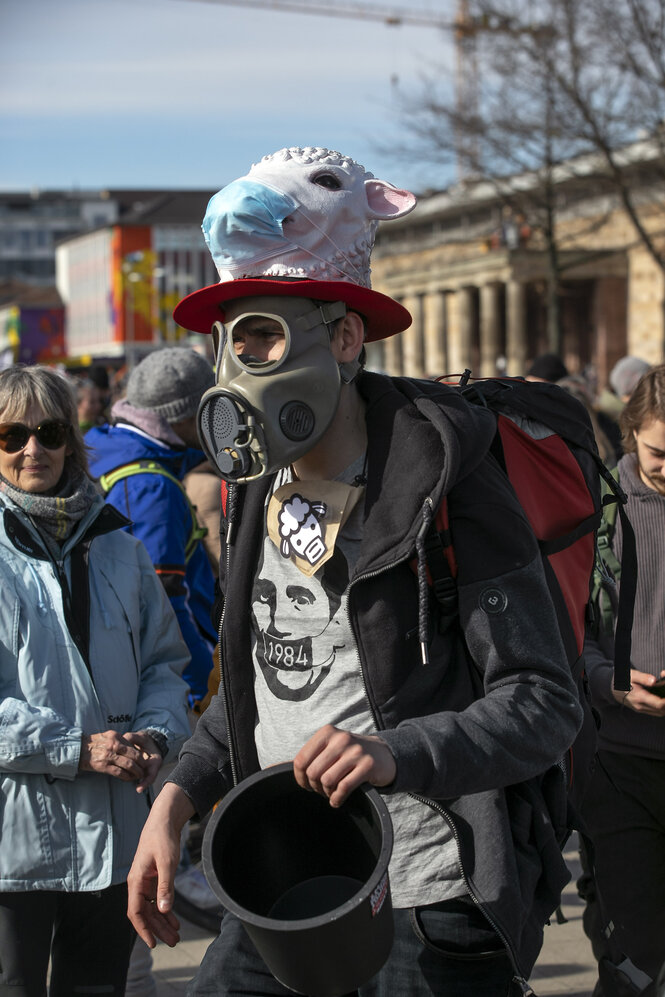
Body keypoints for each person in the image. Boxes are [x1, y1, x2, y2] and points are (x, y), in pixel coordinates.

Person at [127, 146, 583, 997]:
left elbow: (542, 699)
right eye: (228, 343)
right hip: (284, 880)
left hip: (428, 892)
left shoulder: (449, 480)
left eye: (260, 336)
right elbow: (258, 690)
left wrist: (393, 751)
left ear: (342, 337)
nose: (234, 373)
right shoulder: (255, 486)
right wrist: (176, 797)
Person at [0, 364, 190, 997]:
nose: (33, 449)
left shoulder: (116, 543)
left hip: (112, 842)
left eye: (50, 432)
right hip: (14, 849)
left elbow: (165, 663)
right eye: (12, 435)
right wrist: (75, 749)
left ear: (71, 441)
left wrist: (157, 736)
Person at [581, 364, 665, 995]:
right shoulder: (593, 508)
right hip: (617, 763)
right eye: (661, 453)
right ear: (631, 431)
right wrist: (610, 679)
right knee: (633, 953)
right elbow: (558, 629)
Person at [86, 347, 217, 707]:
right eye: (209, 410)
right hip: (176, 686)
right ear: (184, 416)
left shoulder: (106, 445)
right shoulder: (151, 488)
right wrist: (208, 690)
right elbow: (163, 607)